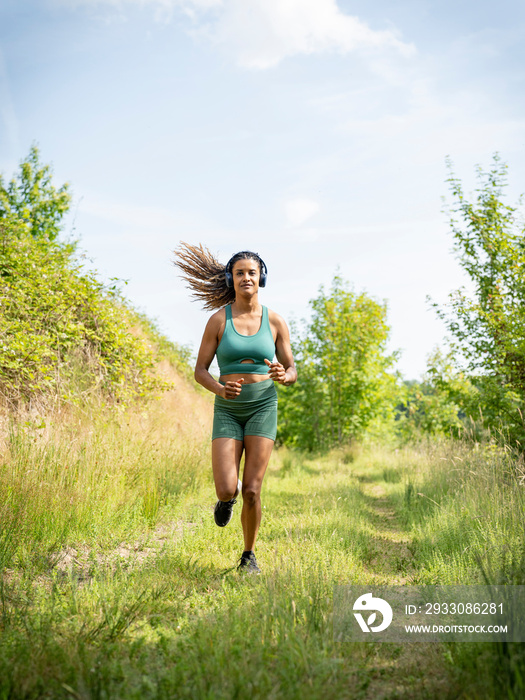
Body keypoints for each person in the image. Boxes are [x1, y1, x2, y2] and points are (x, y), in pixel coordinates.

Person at [174, 243, 297, 574]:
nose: (246, 277)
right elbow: (200, 370)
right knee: (229, 487)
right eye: (240, 273)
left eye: (252, 273)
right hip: (228, 409)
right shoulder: (218, 321)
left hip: (262, 405)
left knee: (253, 489)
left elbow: (292, 369)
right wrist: (219, 388)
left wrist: (284, 375)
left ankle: (248, 555)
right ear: (231, 279)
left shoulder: (274, 321)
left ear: (262, 279)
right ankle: (226, 500)